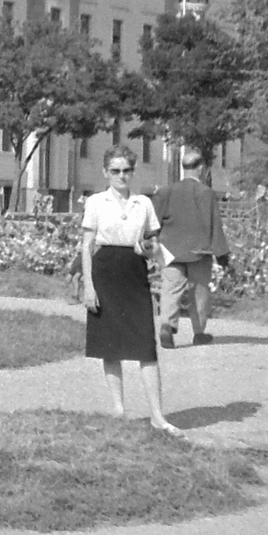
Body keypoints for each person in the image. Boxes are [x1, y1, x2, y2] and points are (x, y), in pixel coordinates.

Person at [81, 143, 181, 435]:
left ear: (133, 172)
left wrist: (149, 249)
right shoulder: (96, 202)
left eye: (126, 170)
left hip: (134, 273)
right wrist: (88, 285)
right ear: (105, 172)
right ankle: (118, 410)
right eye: (115, 171)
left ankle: (157, 416)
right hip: (105, 271)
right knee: (109, 344)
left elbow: (153, 242)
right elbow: (87, 246)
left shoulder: (143, 204)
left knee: (145, 346)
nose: (121, 176)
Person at [154, 147, 230, 348]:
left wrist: (153, 242)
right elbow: (215, 225)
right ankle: (199, 332)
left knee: (171, 289)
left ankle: (167, 326)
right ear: (201, 168)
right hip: (199, 251)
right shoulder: (206, 193)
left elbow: (155, 222)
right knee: (199, 292)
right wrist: (222, 255)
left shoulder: (166, 191)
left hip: (170, 251)